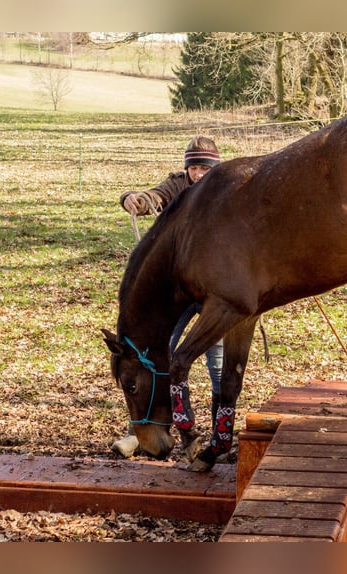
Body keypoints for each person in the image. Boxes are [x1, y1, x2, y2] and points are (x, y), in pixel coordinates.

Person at [112, 135, 224, 458]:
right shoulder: (179, 186)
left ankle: (219, 432)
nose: (200, 174)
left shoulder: (224, 191)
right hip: (179, 294)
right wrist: (136, 199)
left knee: (217, 364)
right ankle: (146, 430)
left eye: (206, 167)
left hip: (215, 295)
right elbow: (157, 197)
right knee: (161, 355)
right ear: (187, 168)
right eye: (195, 167)